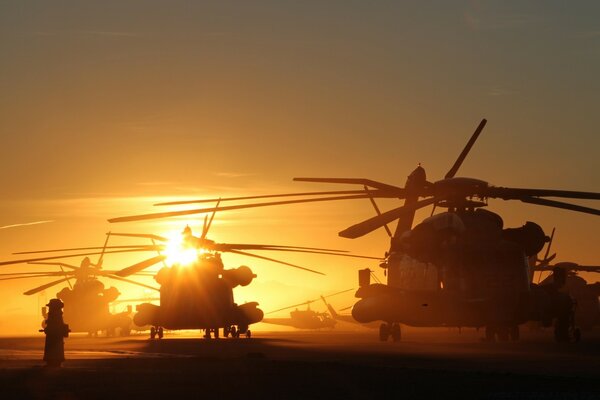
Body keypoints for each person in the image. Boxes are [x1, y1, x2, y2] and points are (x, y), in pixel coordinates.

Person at [40, 298, 70, 368]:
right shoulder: (58, 314)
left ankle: (52, 361)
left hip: (53, 337)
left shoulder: (54, 314)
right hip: (56, 337)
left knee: (53, 349)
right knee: (57, 349)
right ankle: (56, 361)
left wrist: (48, 330)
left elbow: (53, 325)